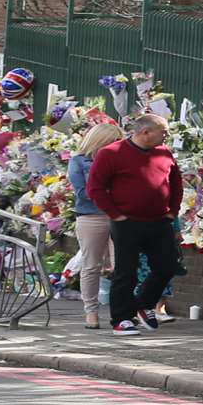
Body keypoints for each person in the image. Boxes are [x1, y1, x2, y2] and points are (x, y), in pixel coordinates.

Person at [89, 113, 184, 337]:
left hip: (160, 221)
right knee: (126, 271)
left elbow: (176, 183)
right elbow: (96, 188)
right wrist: (116, 215)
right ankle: (121, 319)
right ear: (145, 132)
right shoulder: (111, 154)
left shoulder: (164, 153)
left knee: (167, 266)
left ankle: (143, 304)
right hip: (127, 222)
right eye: (164, 132)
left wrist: (172, 212)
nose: (166, 136)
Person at [67, 123, 123, 329]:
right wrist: (112, 194)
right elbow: (83, 192)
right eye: (113, 142)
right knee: (92, 265)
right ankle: (91, 311)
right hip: (91, 216)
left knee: (123, 265)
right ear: (100, 142)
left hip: (119, 216)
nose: (117, 146)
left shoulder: (121, 162)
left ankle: (122, 311)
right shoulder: (79, 161)